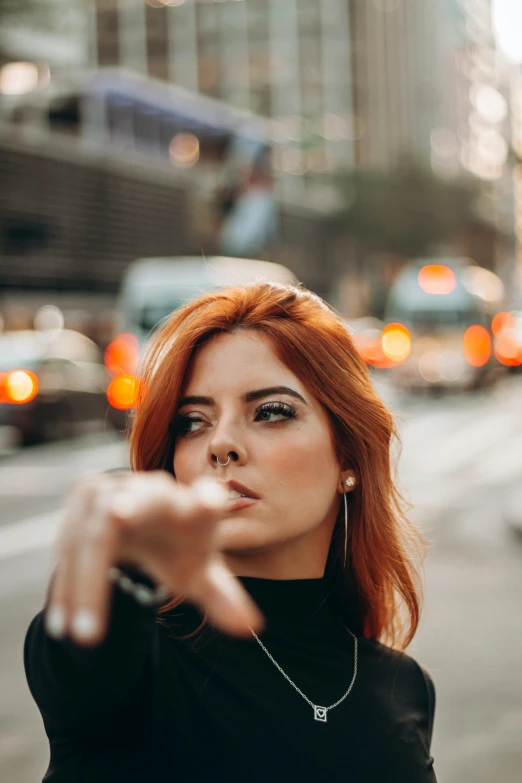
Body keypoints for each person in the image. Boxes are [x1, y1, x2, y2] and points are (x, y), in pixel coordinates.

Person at [24, 282, 437, 782]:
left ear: (348, 455)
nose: (220, 443)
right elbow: (77, 656)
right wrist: (120, 567)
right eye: (192, 422)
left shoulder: (403, 687)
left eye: (271, 412)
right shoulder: (135, 658)